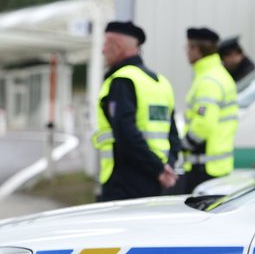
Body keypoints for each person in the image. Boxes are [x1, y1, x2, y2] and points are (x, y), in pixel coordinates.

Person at [93, 20, 180, 200]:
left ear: (117, 48)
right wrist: (166, 168)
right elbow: (173, 135)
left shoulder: (122, 80)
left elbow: (126, 135)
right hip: (158, 180)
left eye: (105, 45)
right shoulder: (160, 82)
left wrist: (157, 169)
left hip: (124, 181)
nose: (102, 51)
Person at [182, 27, 239, 193]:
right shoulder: (219, 74)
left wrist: (182, 145)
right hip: (216, 165)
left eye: (187, 48)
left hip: (203, 166)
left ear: (196, 49)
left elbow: (204, 125)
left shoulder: (208, 80)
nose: (186, 53)